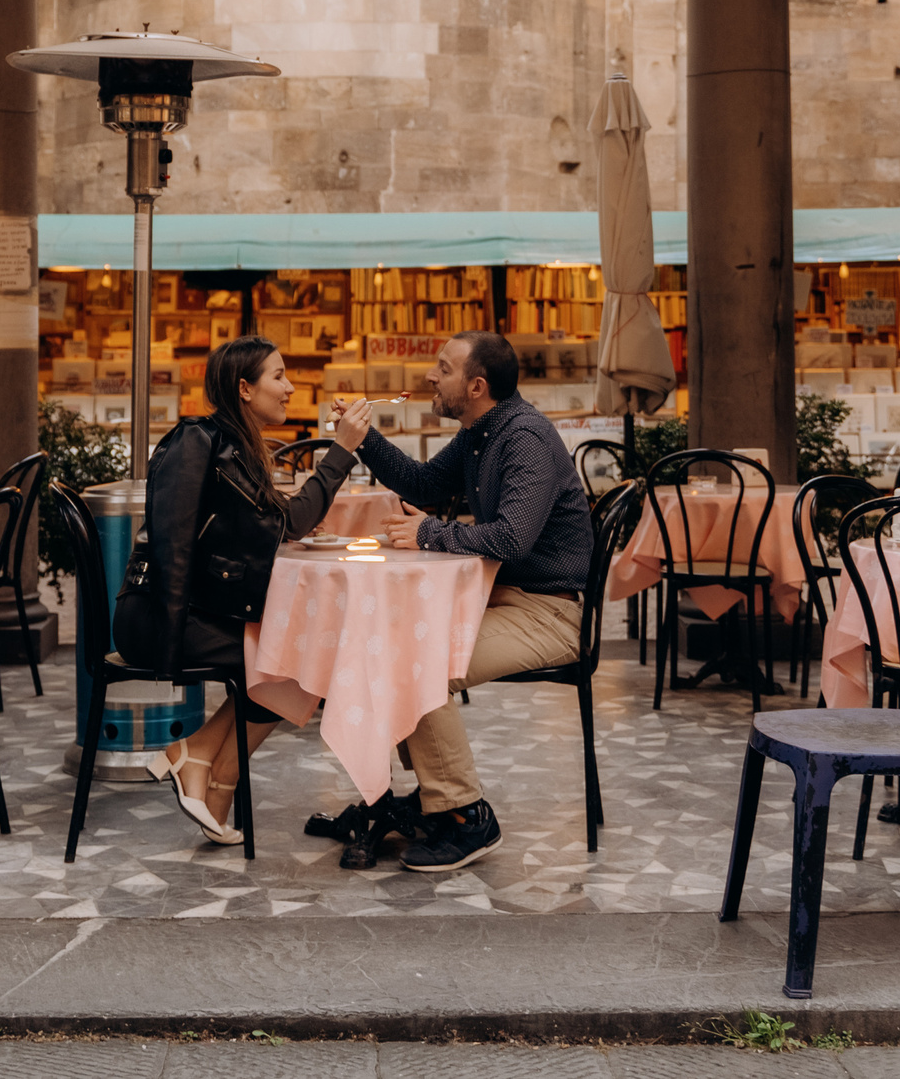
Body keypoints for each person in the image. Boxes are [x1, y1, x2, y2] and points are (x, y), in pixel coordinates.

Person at [327, 330, 593, 871]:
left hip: (550, 611)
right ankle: (436, 797)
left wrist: (428, 533)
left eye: (443, 368)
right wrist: (362, 438)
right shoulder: (481, 431)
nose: (431, 375)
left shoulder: (524, 437)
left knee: (414, 660)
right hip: (507, 598)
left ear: (476, 386)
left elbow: (511, 539)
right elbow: (423, 483)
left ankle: (467, 816)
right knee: (392, 643)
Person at [115, 334, 375, 844]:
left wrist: (275, 525)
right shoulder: (197, 439)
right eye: (279, 376)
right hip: (158, 617)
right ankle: (205, 765)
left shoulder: (237, 448)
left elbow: (285, 522)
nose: (290, 387)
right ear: (245, 389)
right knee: (298, 659)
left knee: (298, 656)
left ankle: (210, 774)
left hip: (193, 612)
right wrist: (341, 450)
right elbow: (173, 543)